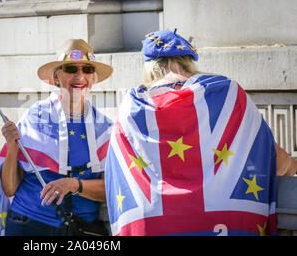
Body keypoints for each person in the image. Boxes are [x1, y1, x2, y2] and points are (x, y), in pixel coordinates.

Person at [104, 29, 296, 236]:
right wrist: (293, 165)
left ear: (149, 67)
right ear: (189, 61)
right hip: (227, 221)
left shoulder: (131, 108)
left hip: (152, 224)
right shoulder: (229, 94)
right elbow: (272, 158)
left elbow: (117, 175)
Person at [0, 39, 114, 236]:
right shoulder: (34, 117)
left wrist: (74, 185)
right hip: (28, 225)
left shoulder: (106, 129)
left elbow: (110, 190)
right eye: (71, 68)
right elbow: (10, 188)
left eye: (88, 70)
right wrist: (12, 146)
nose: (80, 76)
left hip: (81, 230)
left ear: (94, 79)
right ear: (57, 78)